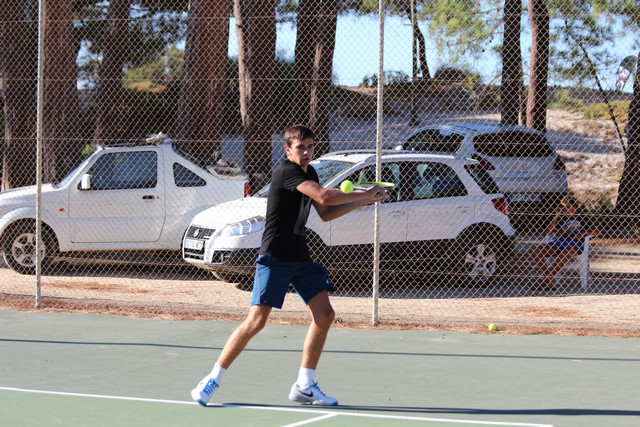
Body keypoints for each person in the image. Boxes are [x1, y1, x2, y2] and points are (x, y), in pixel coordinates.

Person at [190, 125, 387, 407]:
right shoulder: (286, 171)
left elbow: (325, 212)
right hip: (275, 256)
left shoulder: (311, 172)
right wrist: (362, 193)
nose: (306, 152)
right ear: (288, 150)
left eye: (310, 147)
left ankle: (305, 385)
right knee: (256, 321)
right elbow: (324, 196)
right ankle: (212, 379)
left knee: (324, 315)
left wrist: (365, 201)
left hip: (300, 256)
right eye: (300, 148)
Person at [531, 195, 599, 291]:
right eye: (562, 207)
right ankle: (548, 281)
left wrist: (582, 234)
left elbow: (597, 231)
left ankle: (546, 281)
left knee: (566, 253)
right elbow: (549, 231)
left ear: (574, 207)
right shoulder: (561, 219)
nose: (565, 209)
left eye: (567, 206)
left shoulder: (582, 217)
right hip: (560, 242)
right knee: (536, 251)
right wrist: (557, 215)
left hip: (575, 244)